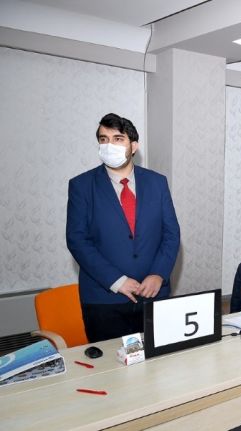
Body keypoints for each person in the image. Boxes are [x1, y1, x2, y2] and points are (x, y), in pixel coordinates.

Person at [66, 113, 180, 342]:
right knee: (111, 363)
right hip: (104, 300)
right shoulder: (81, 185)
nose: (109, 145)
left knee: (160, 360)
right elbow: (77, 240)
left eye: (118, 139)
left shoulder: (157, 182)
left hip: (153, 295)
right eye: (103, 139)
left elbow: (171, 234)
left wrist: (158, 274)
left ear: (133, 146)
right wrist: (117, 281)